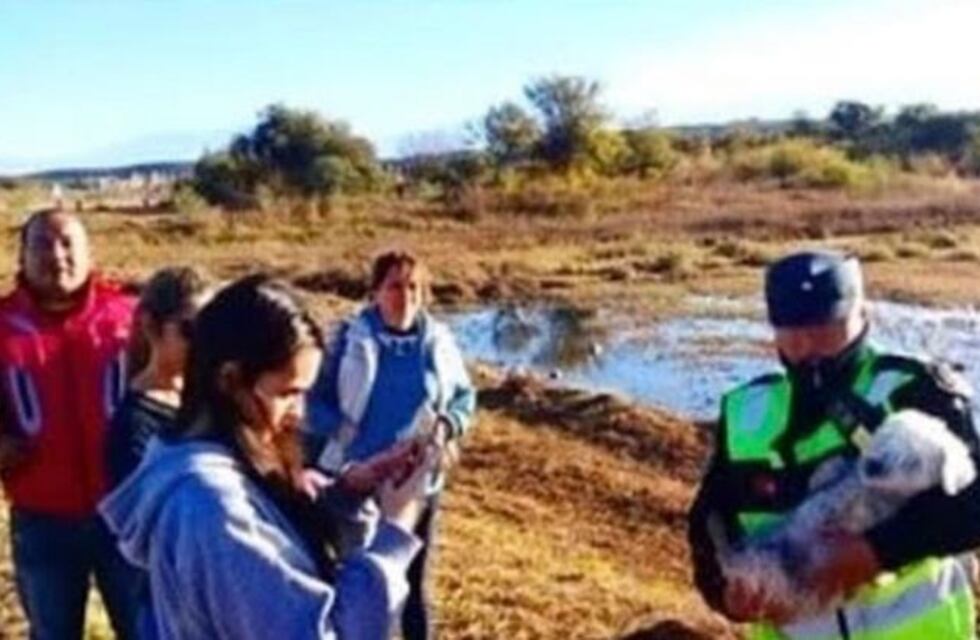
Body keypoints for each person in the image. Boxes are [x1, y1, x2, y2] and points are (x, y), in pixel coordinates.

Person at [100, 274, 434, 639]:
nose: (300, 413)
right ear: (230, 379)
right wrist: (397, 528)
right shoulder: (212, 507)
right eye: (288, 393)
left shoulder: (202, 460)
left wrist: (346, 495)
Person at [688, 249, 980, 639]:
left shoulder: (914, 390)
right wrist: (727, 596)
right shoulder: (745, 415)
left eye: (826, 327)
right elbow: (708, 527)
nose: (808, 344)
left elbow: (972, 504)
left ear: (861, 314)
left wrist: (876, 553)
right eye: (792, 330)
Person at [308, 249, 477, 640]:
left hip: (416, 483)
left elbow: (464, 397)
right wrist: (344, 440)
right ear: (375, 292)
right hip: (356, 482)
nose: (406, 297)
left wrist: (448, 426)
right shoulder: (348, 340)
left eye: (415, 288)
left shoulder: (438, 343)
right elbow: (313, 403)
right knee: (361, 580)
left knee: (414, 586)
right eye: (396, 286)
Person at [0, 209, 140, 639]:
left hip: (129, 514)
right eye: (42, 244)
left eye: (67, 244)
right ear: (21, 255)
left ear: (88, 251)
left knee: (148, 629)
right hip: (42, 519)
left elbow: (177, 394)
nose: (56, 256)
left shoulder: (131, 319)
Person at [105, 266, 212, 489]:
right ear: (151, 326)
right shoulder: (133, 426)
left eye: (210, 330)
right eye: (190, 330)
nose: (203, 343)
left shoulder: (212, 395)